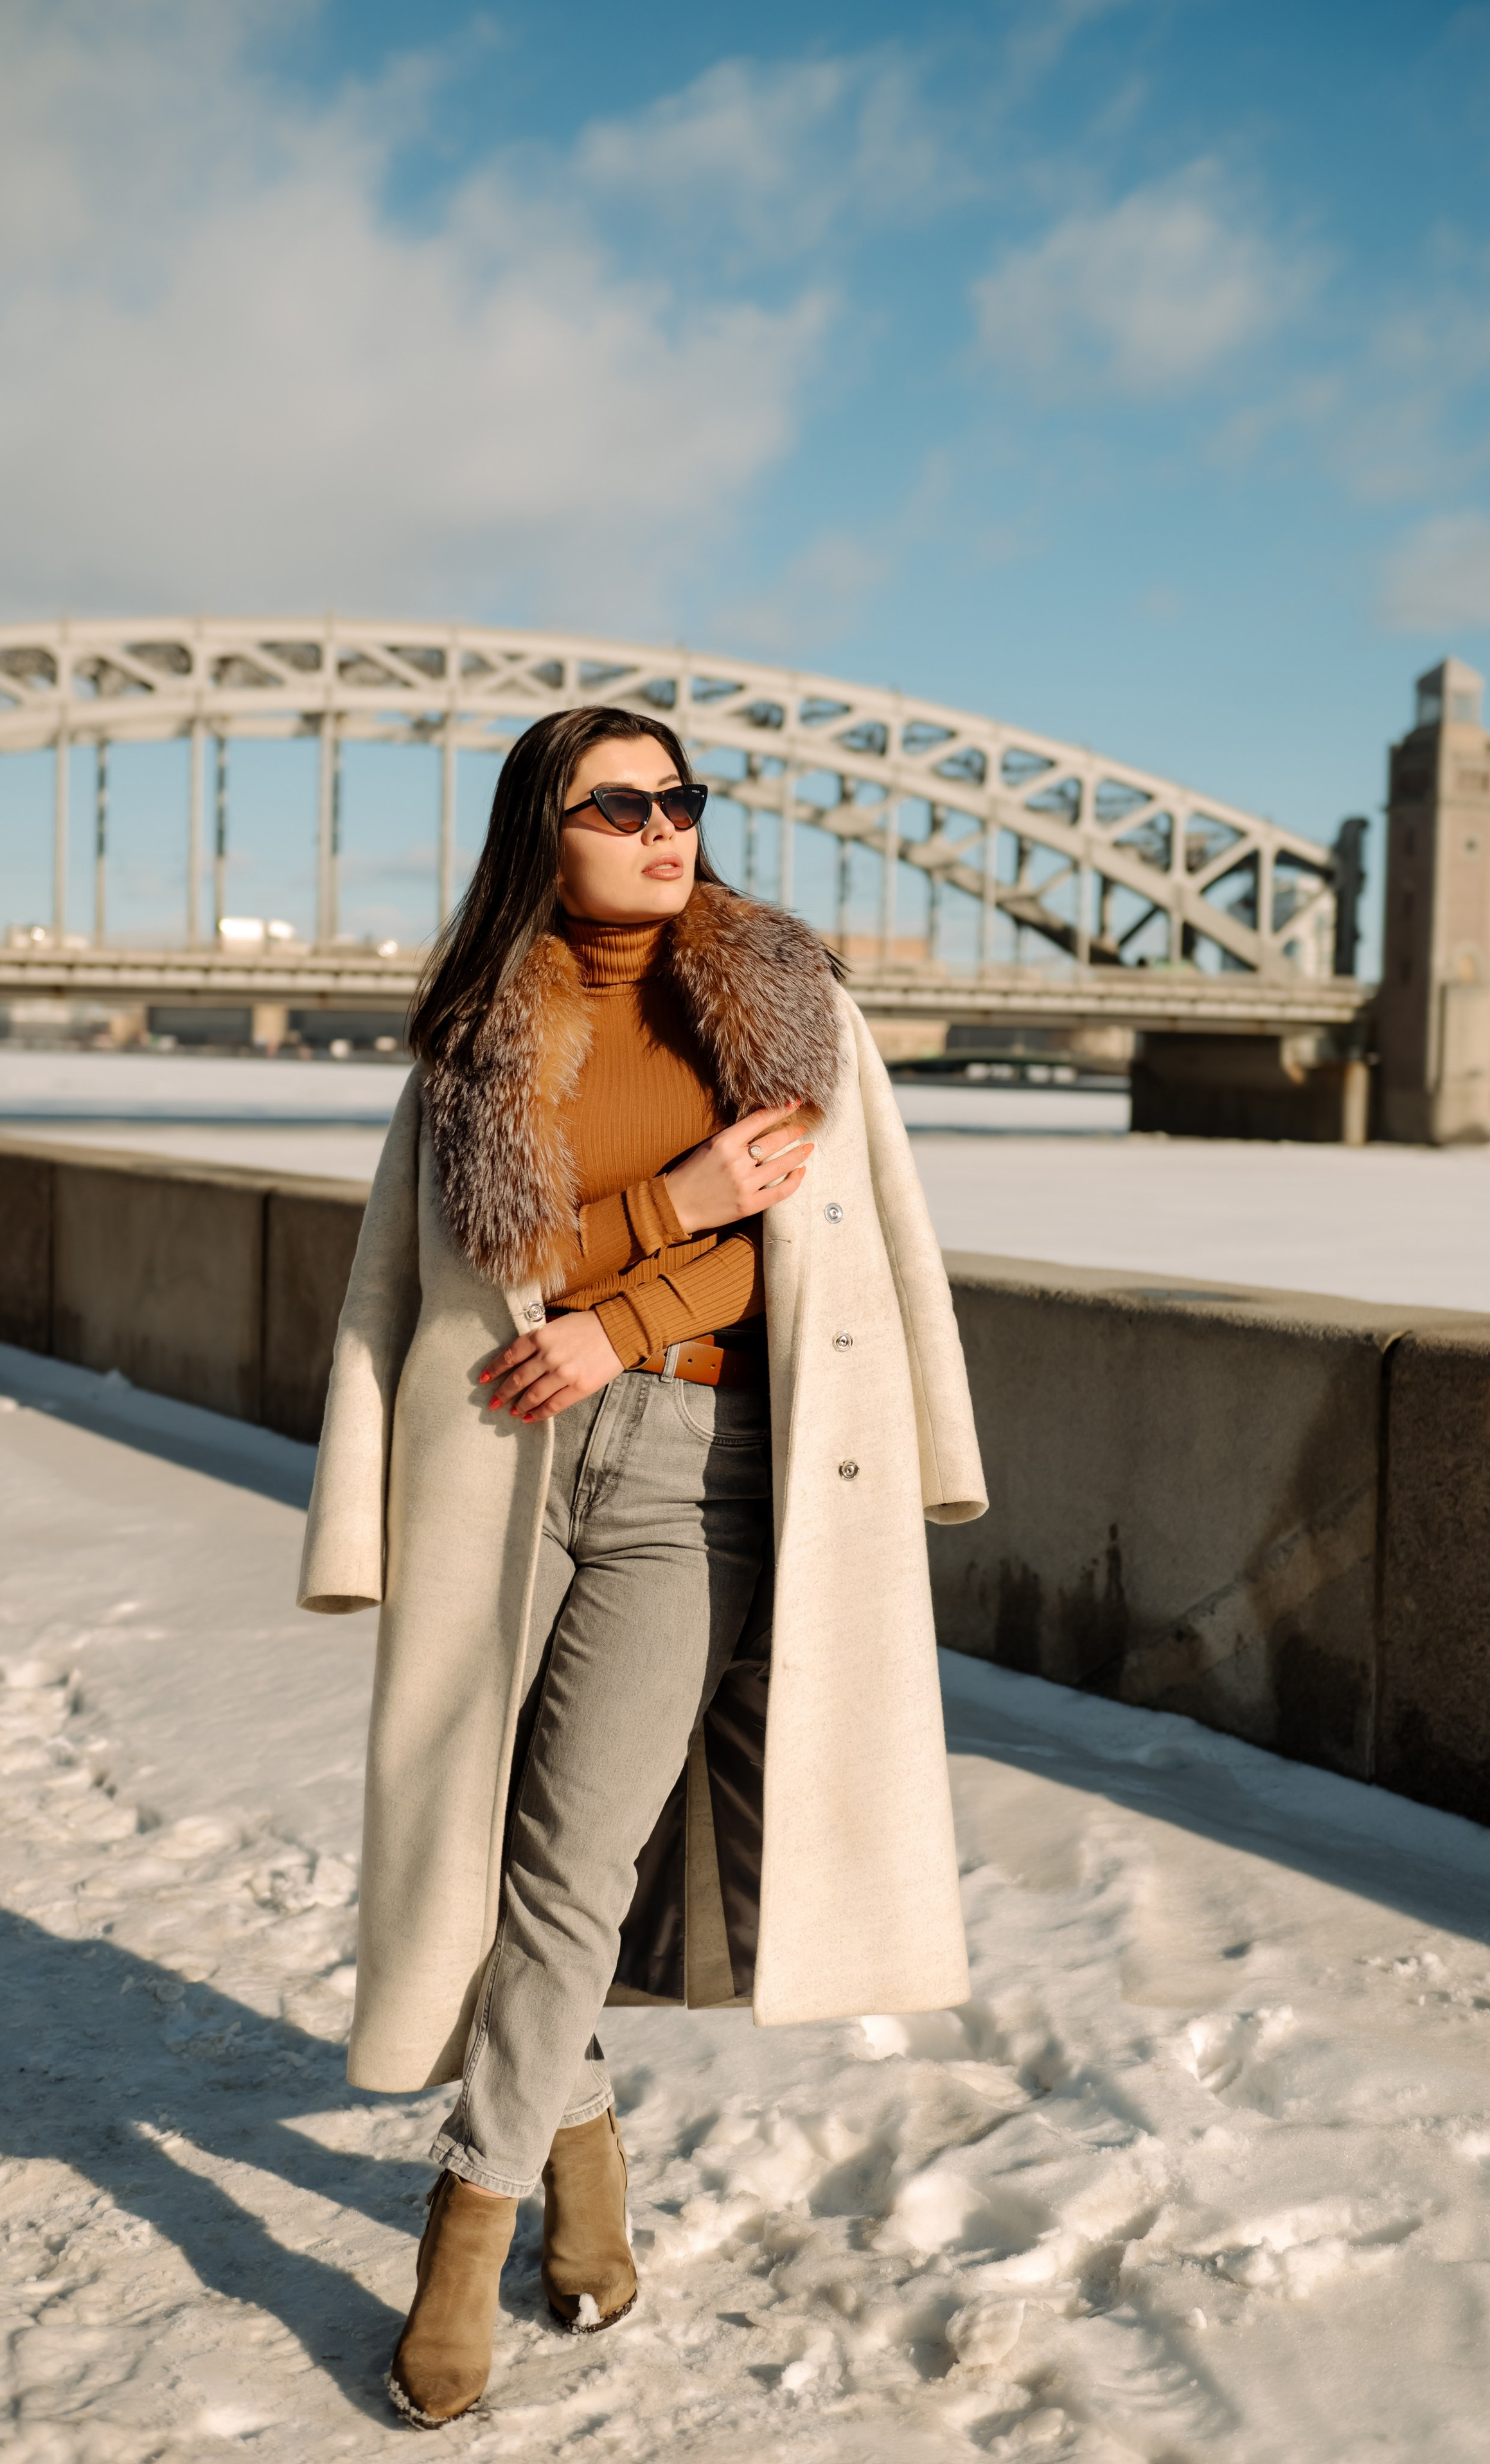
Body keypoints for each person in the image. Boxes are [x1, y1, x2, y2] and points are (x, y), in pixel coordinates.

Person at [297, 704, 987, 2427]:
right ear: (549, 828)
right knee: (481, 1847)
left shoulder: (780, 1000)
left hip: (698, 1472)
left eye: (683, 797)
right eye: (624, 801)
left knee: (568, 1867)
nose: (668, 824)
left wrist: (627, 1317)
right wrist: (665, 1211)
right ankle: (582, 2163)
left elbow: (814, 1261)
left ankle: (465, 2223)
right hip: (499, 1463)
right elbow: (473, 1261)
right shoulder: (476, 1035)